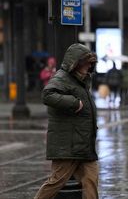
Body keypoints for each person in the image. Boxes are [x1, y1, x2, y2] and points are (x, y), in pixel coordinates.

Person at [34, 43, 99, 199]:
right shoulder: (62, 77)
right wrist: (73, 103)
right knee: (56, 182)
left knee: (91, 180)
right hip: (68, 145)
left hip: (83, 144)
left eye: (91, 62)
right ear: (76, 63)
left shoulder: (81, 80)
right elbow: (47, 95)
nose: (89, 65)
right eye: (87, 62)